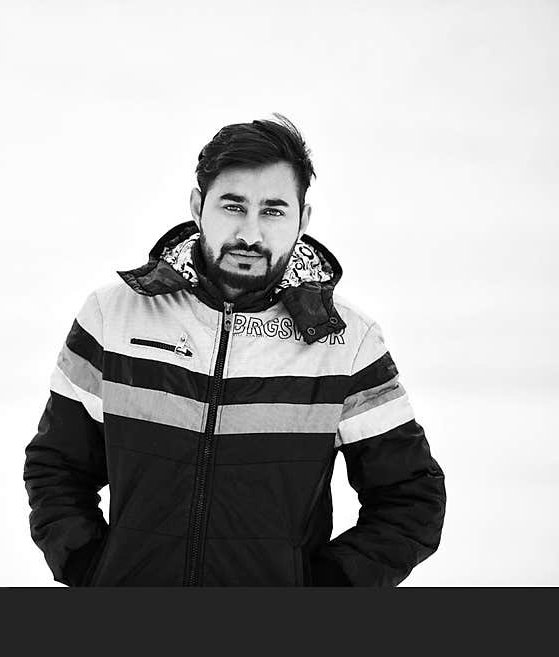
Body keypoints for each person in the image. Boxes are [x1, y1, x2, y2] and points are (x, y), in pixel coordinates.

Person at [23, 114, 446, 586]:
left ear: (303, 218)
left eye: (273, 210)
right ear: (198, 206)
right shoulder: (114, 317)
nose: (251, 234)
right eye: (233, 206)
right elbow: (56, 468)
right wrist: (90, 569)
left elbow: (411, 501)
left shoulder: (344, 341)